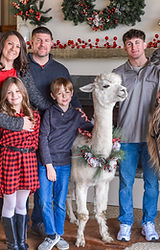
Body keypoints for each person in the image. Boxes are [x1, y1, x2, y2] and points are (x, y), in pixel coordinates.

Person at [28, 26, 82, 236]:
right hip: (30, 130)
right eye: (38, 40)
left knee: (46, 181)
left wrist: (81, 118)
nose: (42, 44)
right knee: (32, 180)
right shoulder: (23, 67)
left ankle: (41, 223)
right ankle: (24, 218)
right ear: (31, 43)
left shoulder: (60, 69)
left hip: (54, 134)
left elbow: (73, 97)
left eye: (46, 40)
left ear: (52, 43)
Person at [113, 29, 160, 242]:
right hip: (126, 137)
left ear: (145, 45)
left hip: (152, 137)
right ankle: (125, 223)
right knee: (125, 182)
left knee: (151, 183)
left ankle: (148, 223)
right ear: (125, 47)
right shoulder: (117, 73)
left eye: (137, 42)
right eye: (129, 44)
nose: (134, 47)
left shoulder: (159, 71)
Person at [37, 78, 93, 250]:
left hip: (65, 164)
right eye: (59, 93)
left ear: (72, 94)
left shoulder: (76, 115)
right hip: (46, 163)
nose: (64, 96)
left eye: (67, 92)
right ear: (53, 96)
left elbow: (89, 128)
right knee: (45, 200)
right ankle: (51, 235)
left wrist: (97, 121)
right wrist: (48, 165)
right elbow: (42, 140)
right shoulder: (49, 114)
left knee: (61, 202)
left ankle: (58, 234)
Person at [0, 76, 40, 250]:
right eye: (9, 92)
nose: (14, 95)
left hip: (28, 160)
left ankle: (21, 242)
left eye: (17, 91)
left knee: (22, 204)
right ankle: (12, 244)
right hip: (9, 160)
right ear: (5, 96)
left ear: (23, 93)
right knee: (9, 203)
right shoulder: (3, 116)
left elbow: (35, 140)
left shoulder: (34, 115)